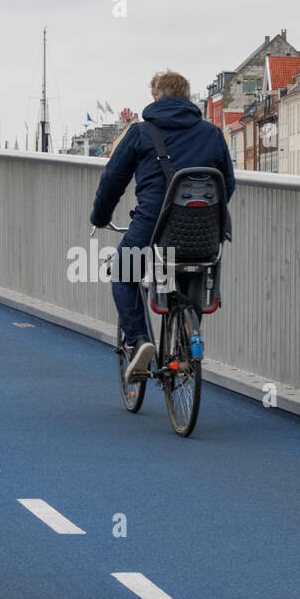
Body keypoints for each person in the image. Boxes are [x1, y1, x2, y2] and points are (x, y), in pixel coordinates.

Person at [89, 70, 235, 380]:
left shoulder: (141, 133)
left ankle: (140, 341)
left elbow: (113, 180)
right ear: (187, 98)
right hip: (203, 232)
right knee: (192, 272)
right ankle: (185, 344)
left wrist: (100, 217)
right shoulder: (211, 134)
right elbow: (228, 185)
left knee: (123, 273)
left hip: (152, 228)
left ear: (156, 98)